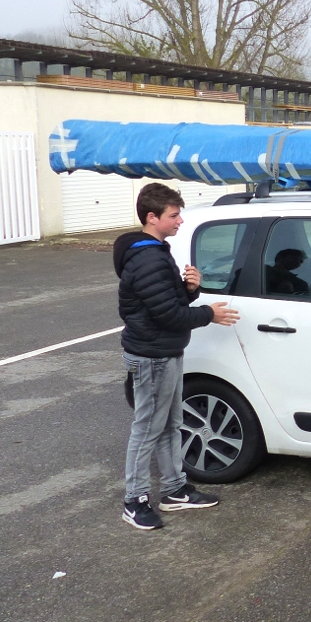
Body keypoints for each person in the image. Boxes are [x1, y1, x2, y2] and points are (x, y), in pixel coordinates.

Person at [114, 183, 239, 531]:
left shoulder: (156, 251)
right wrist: (207, 313)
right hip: (151, 356)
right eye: (173, 215)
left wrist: (190, 289)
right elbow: (167, 316)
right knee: (147, 429)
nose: (180, 220)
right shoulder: (147, 258)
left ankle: (173, 489)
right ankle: (134, 500)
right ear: (152, 217)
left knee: (170, 425)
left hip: (165, 351)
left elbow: (167, 304)